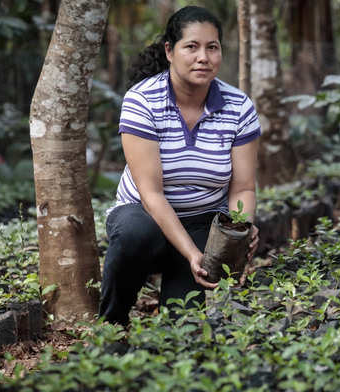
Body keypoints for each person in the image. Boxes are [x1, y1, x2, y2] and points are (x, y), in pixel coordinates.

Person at [98, 6, 260, 325]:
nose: (203, 57)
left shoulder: (239, 106)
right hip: (145, 216)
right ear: (170, 51)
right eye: (192, 46)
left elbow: (243, 187)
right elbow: (151, 193)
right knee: (133, 235)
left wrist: (239, 232)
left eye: (212, 47)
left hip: (203, 223)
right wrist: (190, 252)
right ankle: (110, 328)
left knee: (181, 323)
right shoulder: (142, 100)